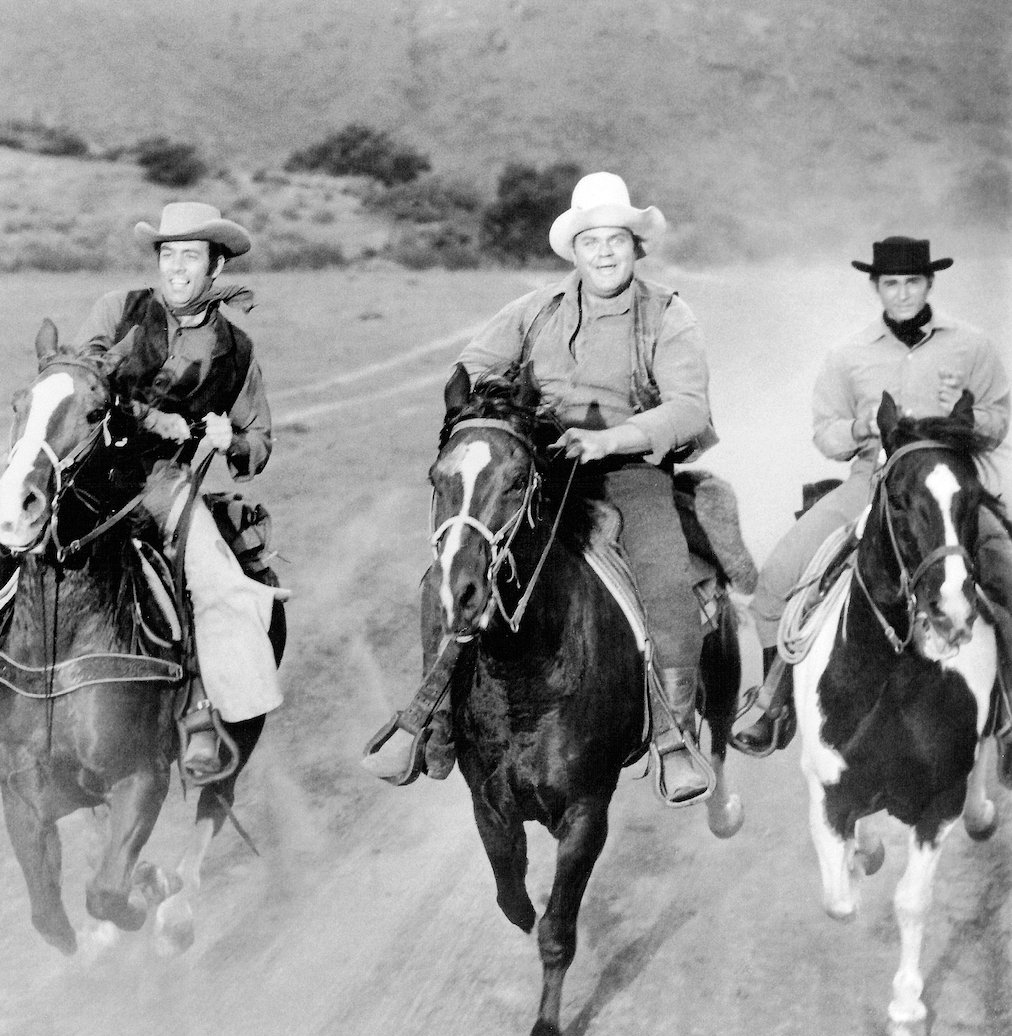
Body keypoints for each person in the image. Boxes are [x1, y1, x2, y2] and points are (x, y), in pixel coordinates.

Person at [362, 171, 719, 807]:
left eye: (616, 240)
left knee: (665, 575)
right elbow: (472, 365)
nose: (604, 252)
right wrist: (491, 413)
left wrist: (612, 439)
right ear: (574, 251)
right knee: (446, 572)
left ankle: (670, 735)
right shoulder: (534, 310)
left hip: (629, 469)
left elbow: (689, 406)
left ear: (635, 247)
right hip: (539, 467)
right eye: (591, 241)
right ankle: (436, 720)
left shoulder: (668, 313)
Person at [0, 201, 284, 777]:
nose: (176, 269)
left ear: (216, 266)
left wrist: (229, 441)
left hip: (166, 484)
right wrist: (152, 418)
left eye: (191, 257)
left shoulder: (239, 352)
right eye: (168, 255)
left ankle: (202, 714)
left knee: (216, 582)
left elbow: (259, 445)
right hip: (90, 472)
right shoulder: (119, 310)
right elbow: (81, 380)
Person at [732, 236, 1012, 755]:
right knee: (774, 584)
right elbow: (826, 433)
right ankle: (776, 706)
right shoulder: (848, 355)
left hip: (946, 489)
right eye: (891, 284)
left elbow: (998, 416)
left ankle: (1008, 715)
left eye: (912, 282)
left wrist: (962, 424)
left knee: (1008, 573)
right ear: (876, 287)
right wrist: (861, 425)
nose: (902, 293)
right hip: (871, 483)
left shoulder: (971, 346)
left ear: (929, 283)